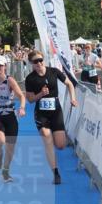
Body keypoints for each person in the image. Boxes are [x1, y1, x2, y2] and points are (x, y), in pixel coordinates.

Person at [24, 51, 77, 185]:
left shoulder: (53, 72)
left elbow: (69, 84)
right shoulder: (30, 79)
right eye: (36, 62)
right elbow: (30, 100)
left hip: (56, 111)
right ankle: (55, 173)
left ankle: (56, 139)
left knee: (60, 145)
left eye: (41, 60)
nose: (39, 63)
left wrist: (73, 99)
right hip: (41, 113)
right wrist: (40, 94)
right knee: (46, 137)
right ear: (32, 64)